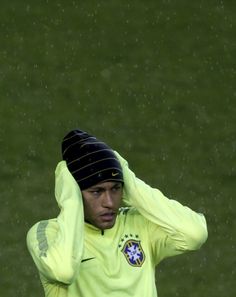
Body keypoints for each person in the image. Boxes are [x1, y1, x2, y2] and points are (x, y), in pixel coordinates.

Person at [27, 129, 208, 297]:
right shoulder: (48, 233)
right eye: (96, 192)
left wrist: (131, 183)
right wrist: (70, 196)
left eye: (116, 188)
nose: (109, 202)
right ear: (73, 190)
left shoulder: (139, 224)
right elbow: (64, 270)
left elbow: (194, 234)